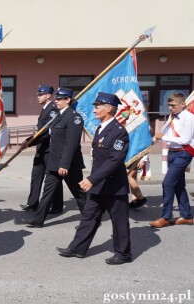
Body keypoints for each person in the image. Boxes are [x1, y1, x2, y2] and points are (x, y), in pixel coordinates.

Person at [56, 92, 132, 265]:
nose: (95, 109)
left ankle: (123, 254)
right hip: (98, 185)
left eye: (98, 106)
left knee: (119, 222)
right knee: (89, 217)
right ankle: (77, 248)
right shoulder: (100, 128)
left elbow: (115, 160)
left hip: (113, 186)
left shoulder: (119, 132)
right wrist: (94, 180)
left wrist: (92, 179)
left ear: (109, 108)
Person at [26, 87, 86, 228]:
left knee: (79, 194)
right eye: (56, 98)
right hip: (54, 162)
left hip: (68, 164)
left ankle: (90, 219)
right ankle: (38, 219)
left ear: (68, 100)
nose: (56, 101)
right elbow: (47, 134)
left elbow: (72, 144)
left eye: (59, 99)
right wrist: (29, 141)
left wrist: (65, 164)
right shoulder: (58, 115)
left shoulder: (74, 117)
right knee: (48, 192)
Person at [150, 92, 194, 227]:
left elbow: (185, 140)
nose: (170, 108)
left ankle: (165, 217)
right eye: (169, 105)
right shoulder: (172, 117)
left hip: (183, 153)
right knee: (178, 185)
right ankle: (186, 215)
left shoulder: (189, 118)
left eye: (173, 105)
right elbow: (165, 132)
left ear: (182, 104)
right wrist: (155, 139)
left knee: (167, 183)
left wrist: (163, 138)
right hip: (172, 153)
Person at [20, 85, 64, 213]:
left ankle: (57, 206)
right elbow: (40, 131)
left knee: (53, 178)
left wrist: (29, 142)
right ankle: (32, 203)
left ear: (48, 95)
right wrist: (29, 140)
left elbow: (46, 132)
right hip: (41, 148)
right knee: (36, 176)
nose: (38, 96)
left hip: (49, 149)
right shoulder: (45, 109)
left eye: (41, 94)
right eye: (38, 94)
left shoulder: (53, 110)